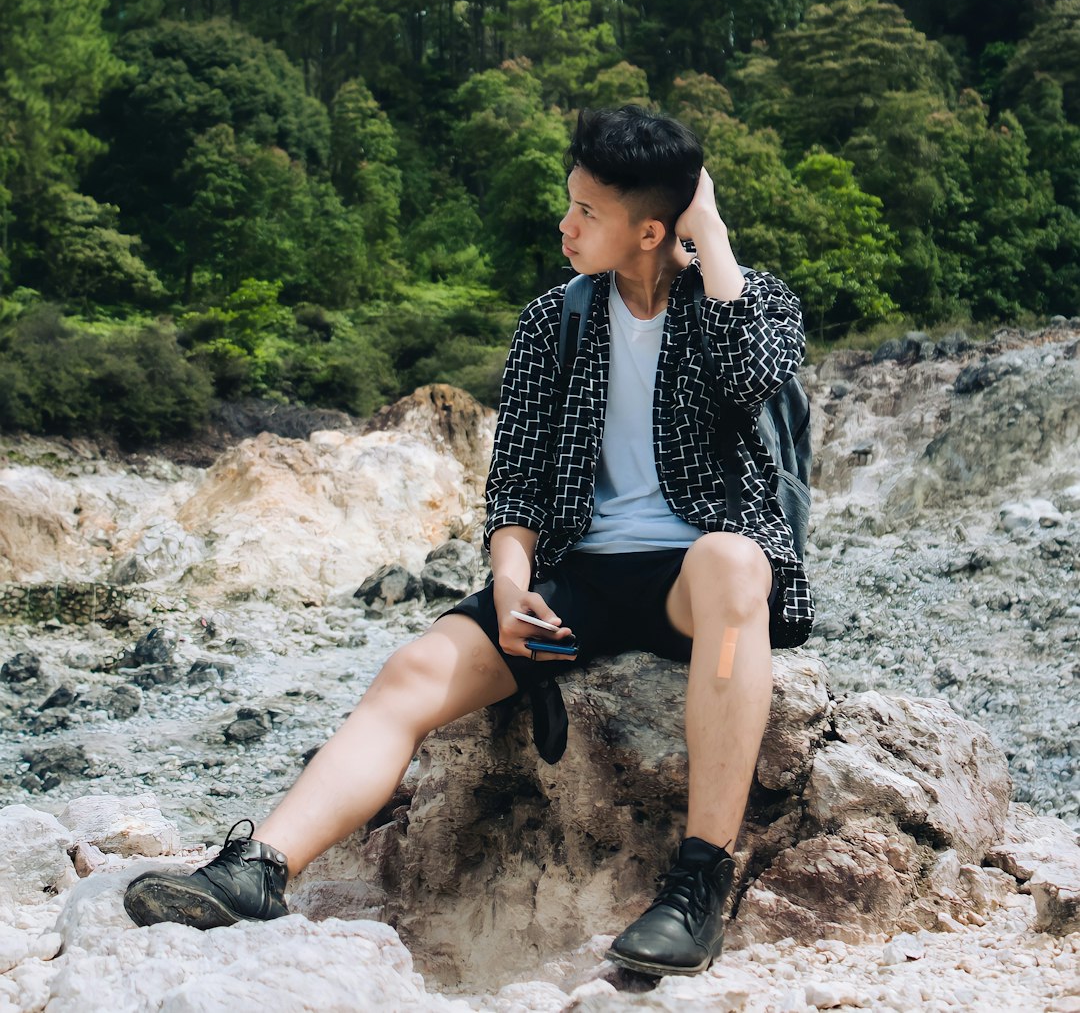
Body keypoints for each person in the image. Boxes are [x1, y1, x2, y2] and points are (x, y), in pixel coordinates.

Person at [124, 105, 813, 978]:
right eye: (569, 206)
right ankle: (260, 868)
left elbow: (751, 375)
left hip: (698, 581)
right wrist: (512, 581)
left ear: (650, 228)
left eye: (588, 214)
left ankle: (696, 888)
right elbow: (516, 481)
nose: (565, 227)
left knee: (732, 557)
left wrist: (706, 228)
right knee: (412, 670)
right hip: (580, 580)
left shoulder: (749, 301)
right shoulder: (553, 322)